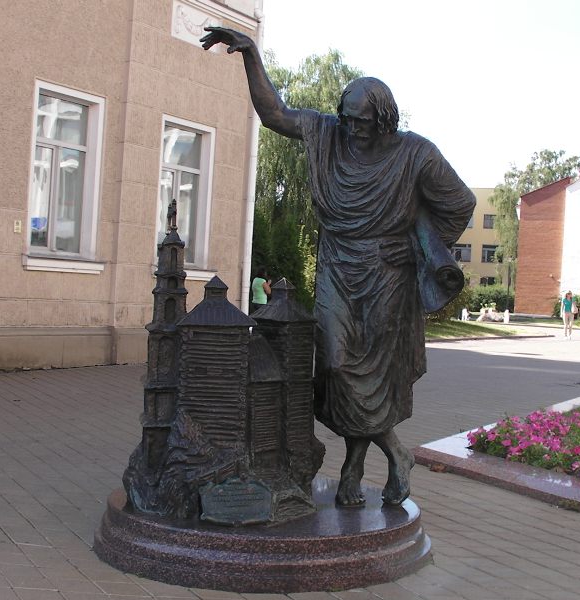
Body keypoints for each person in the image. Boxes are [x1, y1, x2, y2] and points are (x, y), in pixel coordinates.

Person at [201, 27, 475, 507]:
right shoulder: (327, 133)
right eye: (347, 118)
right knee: (335, 366)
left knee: (372, 377)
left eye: (361, 122)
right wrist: (251, 56)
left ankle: (353, 467)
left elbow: (460, 203)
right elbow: (275, 113)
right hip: (336, 265)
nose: (352, 128)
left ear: (383, 119)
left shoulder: (416, 154)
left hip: (387, 277)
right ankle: (396, 453)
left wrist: (417, 250)